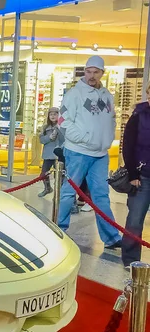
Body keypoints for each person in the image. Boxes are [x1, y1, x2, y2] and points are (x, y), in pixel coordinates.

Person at [57, 55, 121, 249]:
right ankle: (59, 230)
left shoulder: (107, 95)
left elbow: (111, 119)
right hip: (78, 151)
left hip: (100, 154)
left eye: (96, 72)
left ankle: (111, 237)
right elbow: (63, 122)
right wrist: (84, 138)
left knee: (101, 195)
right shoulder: (74, 94)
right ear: (84, 71)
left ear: (102, 73)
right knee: (69, 192)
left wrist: (106, 139)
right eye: (88, 71)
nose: (92, 75)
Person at [121, 82, 150, 268]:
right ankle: (131, 259)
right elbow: (128, 145)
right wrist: (133, 174)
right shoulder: (139, 116)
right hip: (143, 176)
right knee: (135, 219)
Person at [38, 107, 64, 197]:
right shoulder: (45, 128)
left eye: (55, 114)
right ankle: (47, 188)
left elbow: (65, 139)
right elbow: (41, 140)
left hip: (59, 155)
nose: (53, 116)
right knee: (43, 174)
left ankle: (58, 195)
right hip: (48, 155)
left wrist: (58, 131)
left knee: (59, 177)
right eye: (51, 114)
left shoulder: (62, 126)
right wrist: (49, 137)